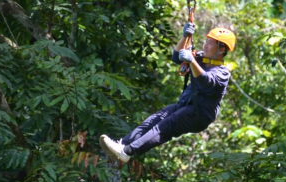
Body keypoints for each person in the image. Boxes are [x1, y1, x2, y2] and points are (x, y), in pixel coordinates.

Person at [99, 22, 235, 163]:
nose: (205, 45)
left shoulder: (222, 73)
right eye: (206, 42)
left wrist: (192, 61)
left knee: (167, 124)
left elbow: (205, 81)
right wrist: (184, 37)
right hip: (185, 106)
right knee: (155, 119)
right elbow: (177, 58)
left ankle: (127, 152)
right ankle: (122, 144)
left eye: (210, 44)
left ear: (222, 49)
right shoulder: (200, 58)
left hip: (199, 115)